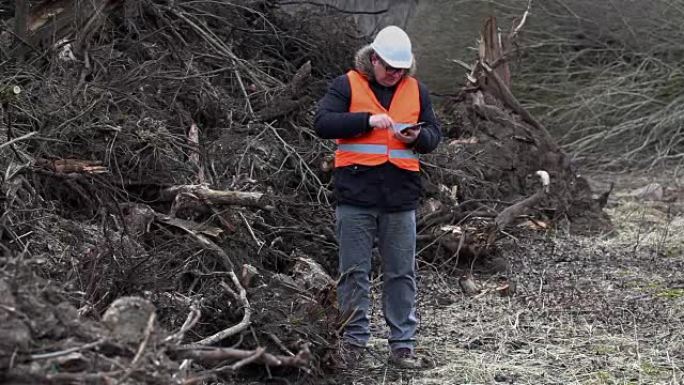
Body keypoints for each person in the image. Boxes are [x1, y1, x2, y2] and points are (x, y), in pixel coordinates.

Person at [314, 25, 441, 369]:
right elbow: (323, 123)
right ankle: (353, 342)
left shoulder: (417, 91)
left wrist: (418, 137)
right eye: (388, 68)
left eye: (400, 69)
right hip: (355, 196)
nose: (393, 75)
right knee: (353, 272)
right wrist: (366, 120)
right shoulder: (347, 84)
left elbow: (434, 134)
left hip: (400, 198)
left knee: (401, 273)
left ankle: (403, 346)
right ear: (373, 59)